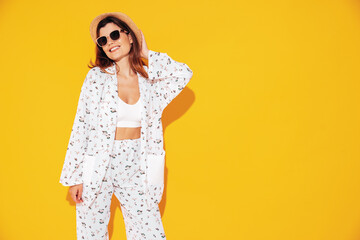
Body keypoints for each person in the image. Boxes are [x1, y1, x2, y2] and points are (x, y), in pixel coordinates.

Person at [59, 12, 193, 240]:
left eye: (114, 35)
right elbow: (81, 125)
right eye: (103, 40)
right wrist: (75, 178)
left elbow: (184, 73)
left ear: (130, 37)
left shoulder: (151, 82)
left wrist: (147, 54)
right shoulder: (97, 78)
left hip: (138, 162)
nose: (110, 43)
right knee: (91, 234)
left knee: (148, 232)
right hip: (99, 162)